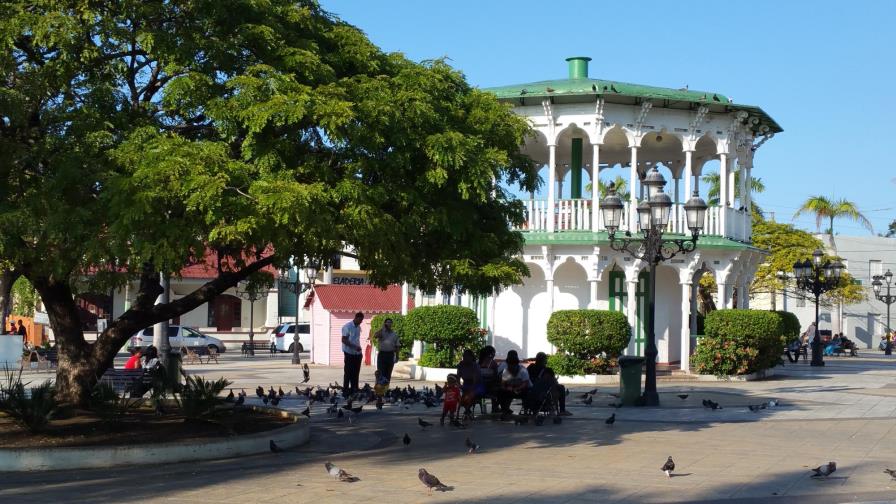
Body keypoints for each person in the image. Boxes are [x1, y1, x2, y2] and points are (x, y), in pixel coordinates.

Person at [496, 350, 531, 417]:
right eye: (509, 365)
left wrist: (516, 388)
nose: (510, 368)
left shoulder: (523, 370)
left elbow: (525, 384)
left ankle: (525, 412)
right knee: (500, 392)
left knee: (527, 393)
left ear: (516, 364)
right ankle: (505, 410)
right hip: (512, 389)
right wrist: (506, 388)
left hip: (524, 389)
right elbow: (503, 384)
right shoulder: (506, 370)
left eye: (512, 366)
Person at [341, 312, 364, 397]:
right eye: (360, 320)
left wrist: (358, 350)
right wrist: (354, 347)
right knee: (348, 372)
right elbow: (344, 340)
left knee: (356, 372)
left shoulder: (358, 327)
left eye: (362, 320)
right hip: (349, 353)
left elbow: (356, 339)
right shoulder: (347, 327)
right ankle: (345, 390)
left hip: (357, 353)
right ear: (356, 318)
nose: (361, 322)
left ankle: (354, 388)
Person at [456, 349, 482, 418]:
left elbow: (475, 381)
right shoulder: (460, 365)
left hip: (477, 386)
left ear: (471, 357)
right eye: (464, 356)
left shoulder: (475, 366)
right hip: (466, 385)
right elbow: (458, 377)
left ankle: (467, 410)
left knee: (469, 396)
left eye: (467, 356)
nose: (464, 358)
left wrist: (469, 389)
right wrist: (459, 385)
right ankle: (467, 410)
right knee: (458, 396)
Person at [372, 317, 399, 382]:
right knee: (380, 373)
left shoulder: (394, 334)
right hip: (382, 354)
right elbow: (375, 336)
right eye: (387, 322)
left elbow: (397, 346)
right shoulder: (381, 333)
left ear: (392, 324)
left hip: (390, 355)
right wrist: (382, 328)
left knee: (388, 373)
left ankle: (386, 389)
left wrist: (397, 356)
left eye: (390, 322)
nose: (389, 324)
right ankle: (379, 390)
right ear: (385, 323)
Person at [478, 345, 500, 412]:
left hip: (479, 386)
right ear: (491, 353)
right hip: (489, 387)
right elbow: (496, 376)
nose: (495, 354)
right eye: (494, 353)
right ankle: (495, 407)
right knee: (499, 389)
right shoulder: (493, 363)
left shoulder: (478, 362)